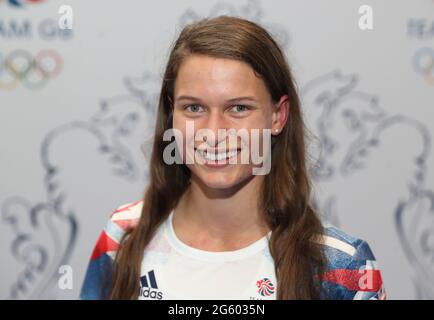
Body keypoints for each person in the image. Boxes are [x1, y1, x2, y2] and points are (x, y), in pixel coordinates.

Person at [80, 15, 386, 300]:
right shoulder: (123, 235)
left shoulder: (342, 267)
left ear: (278, 115)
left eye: (238, 108)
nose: (214, 132)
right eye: (194, 108)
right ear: (171, 112)